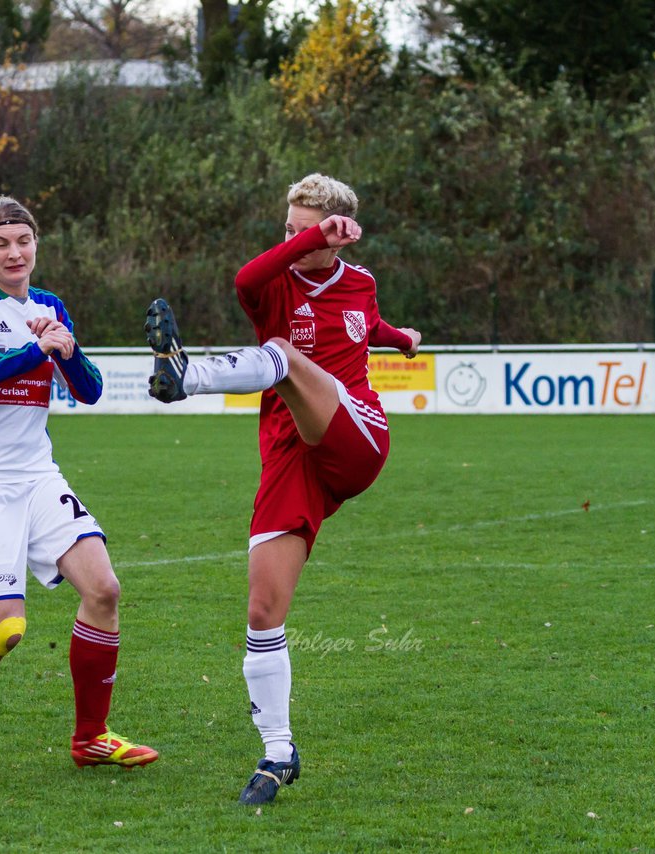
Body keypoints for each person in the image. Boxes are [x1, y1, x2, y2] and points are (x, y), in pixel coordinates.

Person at [145, 174, 421, 805]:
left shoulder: (361, 282)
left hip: (356, 433)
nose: (290, 239)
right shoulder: (274, 281)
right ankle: (277, 752)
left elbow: (365, 323)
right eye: (287, 229)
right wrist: (304, 244)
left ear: (337, 239)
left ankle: (188, 378)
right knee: (263, 612)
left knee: (284, 356)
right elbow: (245, 280)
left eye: (305, 230)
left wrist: (400, 339)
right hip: (289, 458)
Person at [0, 196, 158, 774]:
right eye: (1, 243)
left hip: (37, 476)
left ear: (36, 247)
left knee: (103, 590)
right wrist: (33, 352)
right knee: (6, 631)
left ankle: (91, 738)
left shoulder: (51, 306)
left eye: (22, 241)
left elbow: (90, 389)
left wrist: (68, 349)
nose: (14, 252)